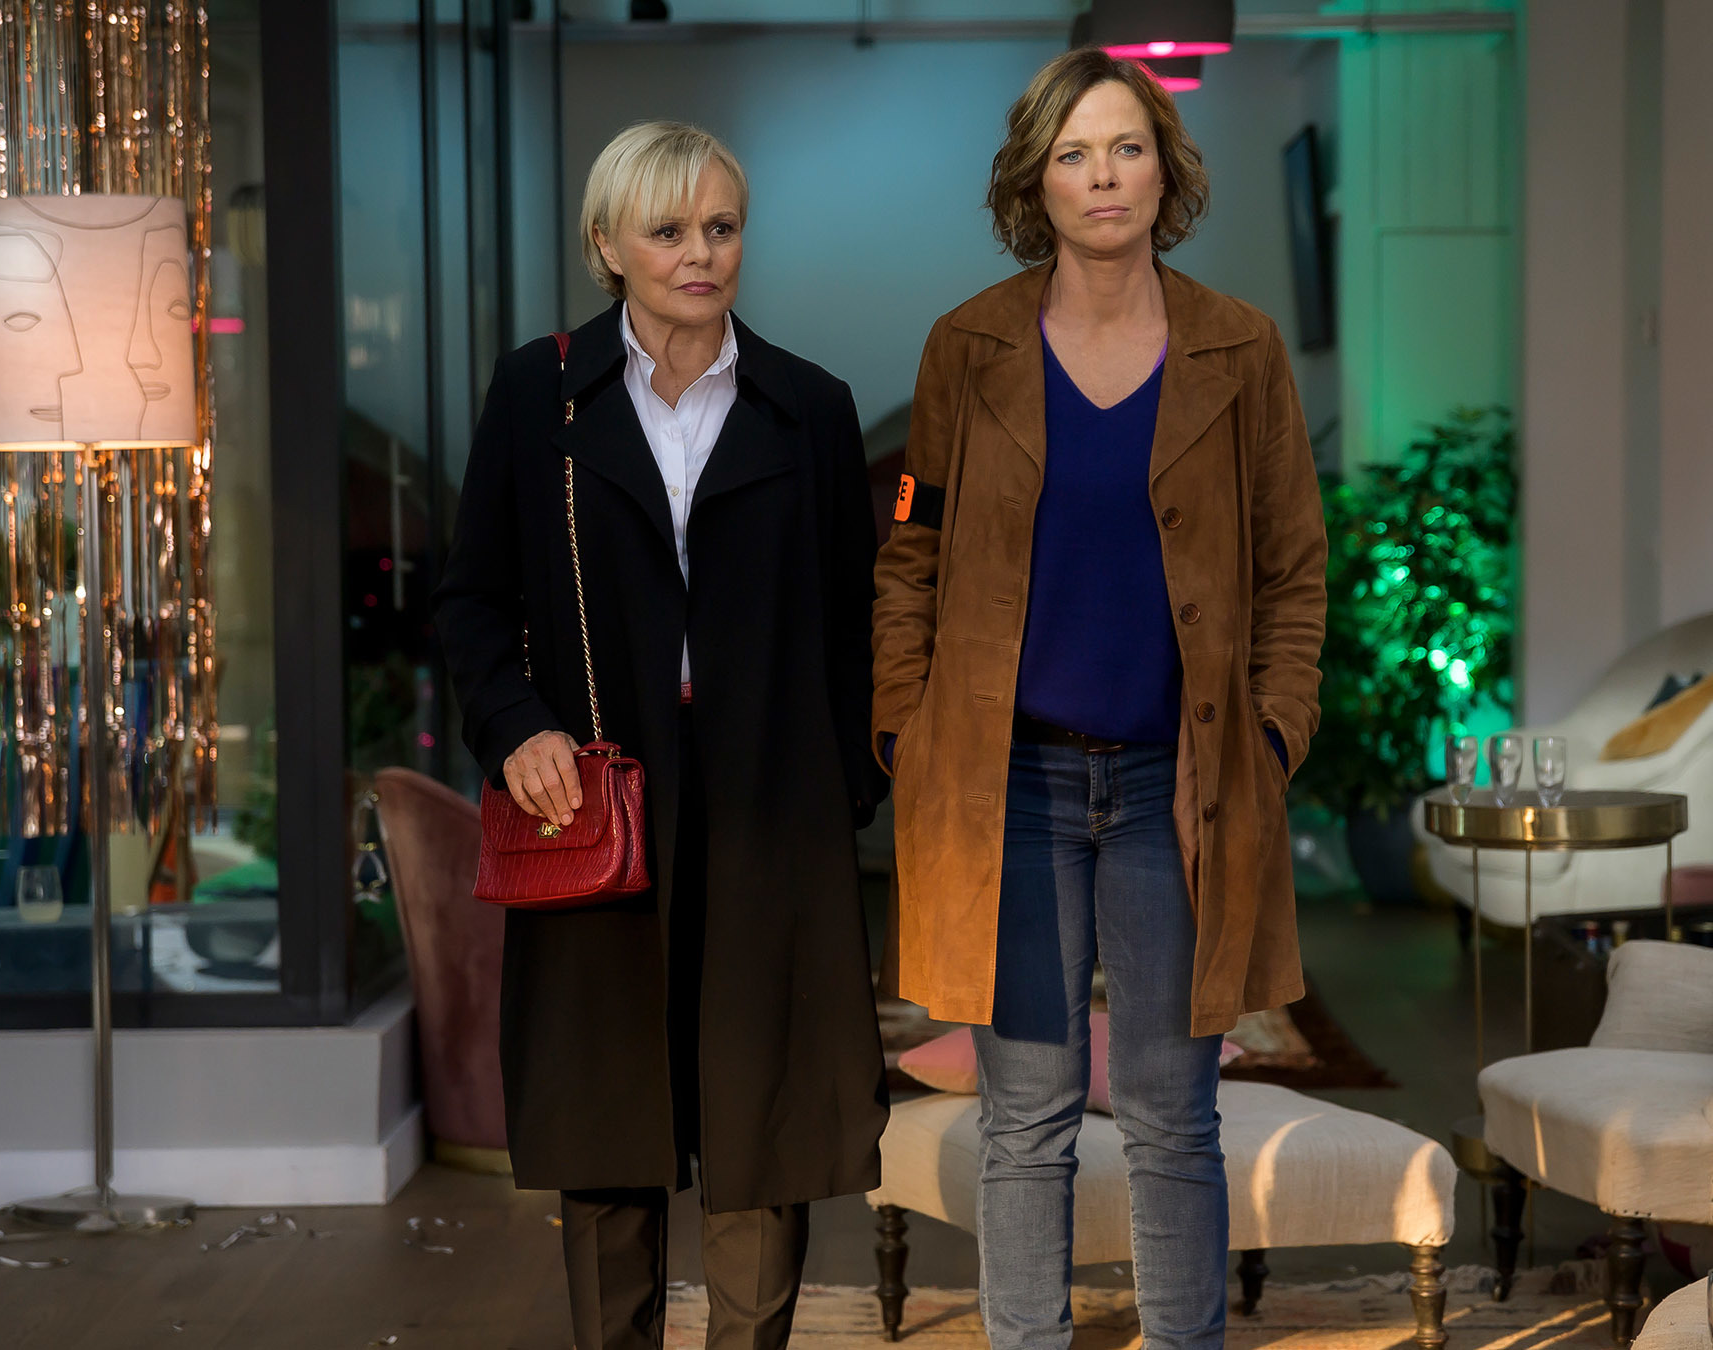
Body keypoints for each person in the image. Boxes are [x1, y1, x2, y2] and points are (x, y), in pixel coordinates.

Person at [871, 49, 1329, 1350]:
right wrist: (907, 727)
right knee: (1025, 1117)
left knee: (1175, 1116)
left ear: (1165, 171)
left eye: (1127, 148)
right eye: (1073, 154)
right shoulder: (968, 347)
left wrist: (1272, 735)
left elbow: (1294, 568)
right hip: (1007, 785)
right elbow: (911, 554)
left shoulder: (1241, 346)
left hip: (1176, 791)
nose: (1104, 176)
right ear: (1037, 182)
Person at [434, 120, 887, 1350]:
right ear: (608, 246)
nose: (701, 254)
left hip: (772, 804)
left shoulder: (811, 408)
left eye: (722, 228)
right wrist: (516, 730)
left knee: (767, 1112)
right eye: (670, 230)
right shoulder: (536, 394)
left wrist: (846, 783)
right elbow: (473, 601)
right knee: (606, 1109)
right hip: (595, 798)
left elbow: (857, 620)